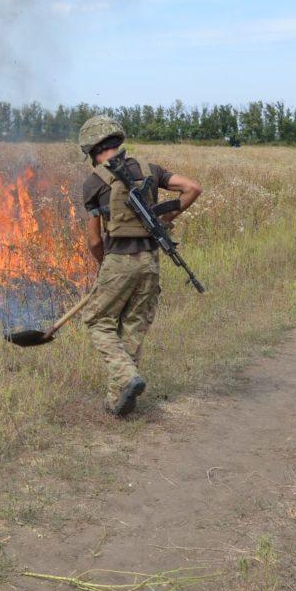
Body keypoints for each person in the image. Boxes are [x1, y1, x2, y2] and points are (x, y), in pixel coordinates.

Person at [78, 116, 202, 417]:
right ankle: (118, 400)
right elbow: (192, 188)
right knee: (133, 327)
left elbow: (95, 241)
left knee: (98, 322)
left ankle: (128, 377)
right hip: (150, 261)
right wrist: (163, 220)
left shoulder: (95, 181)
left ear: (93, 149)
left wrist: (103, 267)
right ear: (118, 141)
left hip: (118, 260)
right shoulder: (150, 170)